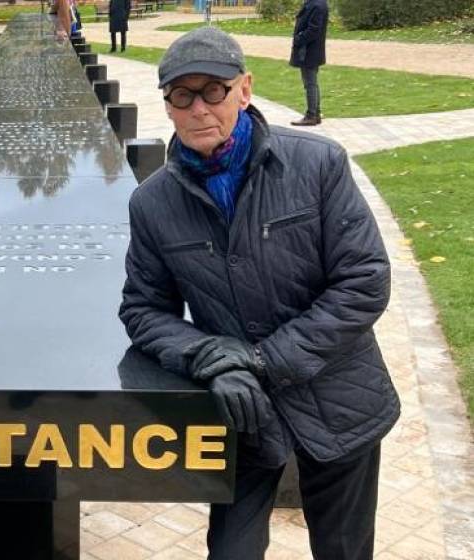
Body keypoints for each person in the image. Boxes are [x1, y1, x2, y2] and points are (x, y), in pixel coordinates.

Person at [119, 27, 400, 559]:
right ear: (169, 106)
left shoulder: (318, 164)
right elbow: (143, 308)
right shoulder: (152, 203)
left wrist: (262, 359)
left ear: (244, 90)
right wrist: (211, 359)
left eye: (214, 91)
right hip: (245, 414)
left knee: (343, 551)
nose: (199, 108)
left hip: (340, 401)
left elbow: (364, 282)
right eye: (183, 95)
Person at [289, 0, 329, 126]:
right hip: (310, 50)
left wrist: (299, 39)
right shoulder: (315, 3)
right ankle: (315, 113)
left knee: (310, 83)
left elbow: (314, 29)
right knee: (312, 83)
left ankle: (311, 115)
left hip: (309, 51)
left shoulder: (317, 5)